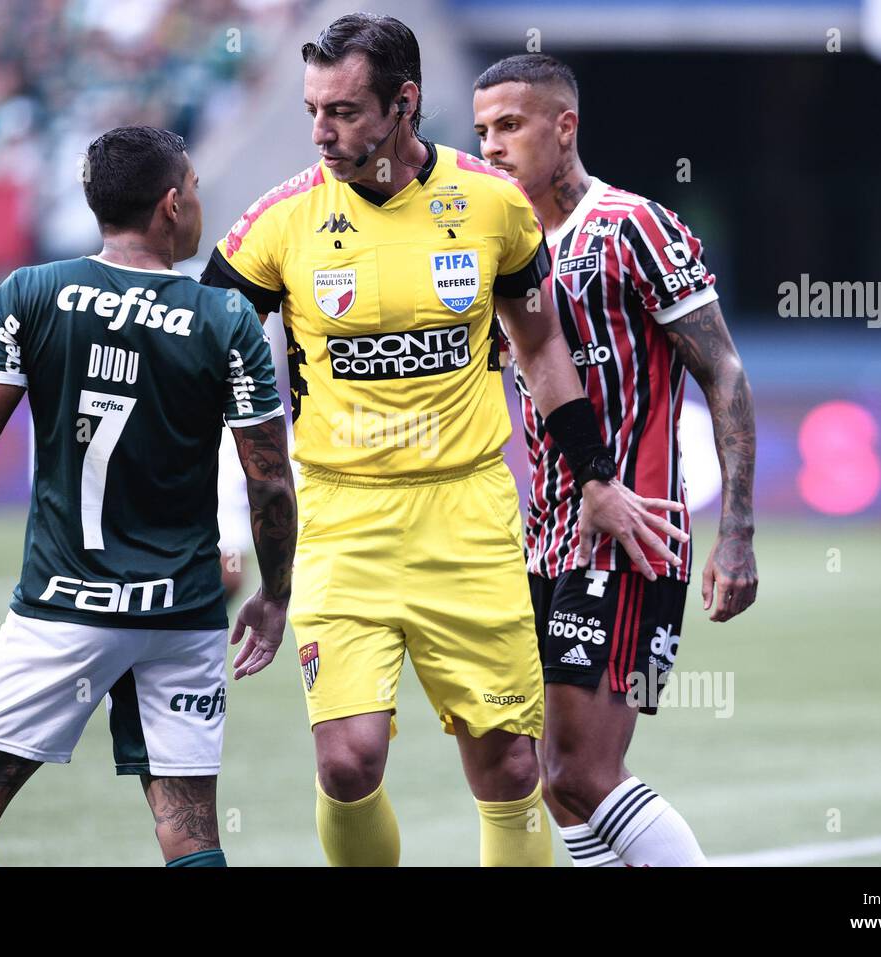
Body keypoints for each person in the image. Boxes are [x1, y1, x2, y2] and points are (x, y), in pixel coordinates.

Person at [201, 14, 681, 866]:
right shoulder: (279, 222)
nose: (323, 131)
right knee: (348, 760)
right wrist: (230, 525)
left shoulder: (490, 204)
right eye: (315, 109)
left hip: (468, 513)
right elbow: (212, 368)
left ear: (405, 103)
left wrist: (598, 477)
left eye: (345, 111)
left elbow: (540, 350)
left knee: (507, 764)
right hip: (344, 518)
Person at [0, 126, 296, 867]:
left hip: (63, 602)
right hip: (183, 609)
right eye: (199, 191)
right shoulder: (226, 318)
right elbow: (268, 480)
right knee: (191, 830)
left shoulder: (33, 292)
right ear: (171, 204)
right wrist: (275, 593)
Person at [473, 54, 759, 866]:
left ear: (564, 127)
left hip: (631, 530)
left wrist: (736, 530)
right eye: (483, 129)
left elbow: (725, 371)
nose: (492, 146)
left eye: (511, 126)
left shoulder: (633, 226)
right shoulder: (496, 245)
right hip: (542, 537)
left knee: (579, 767)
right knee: (552, 778)